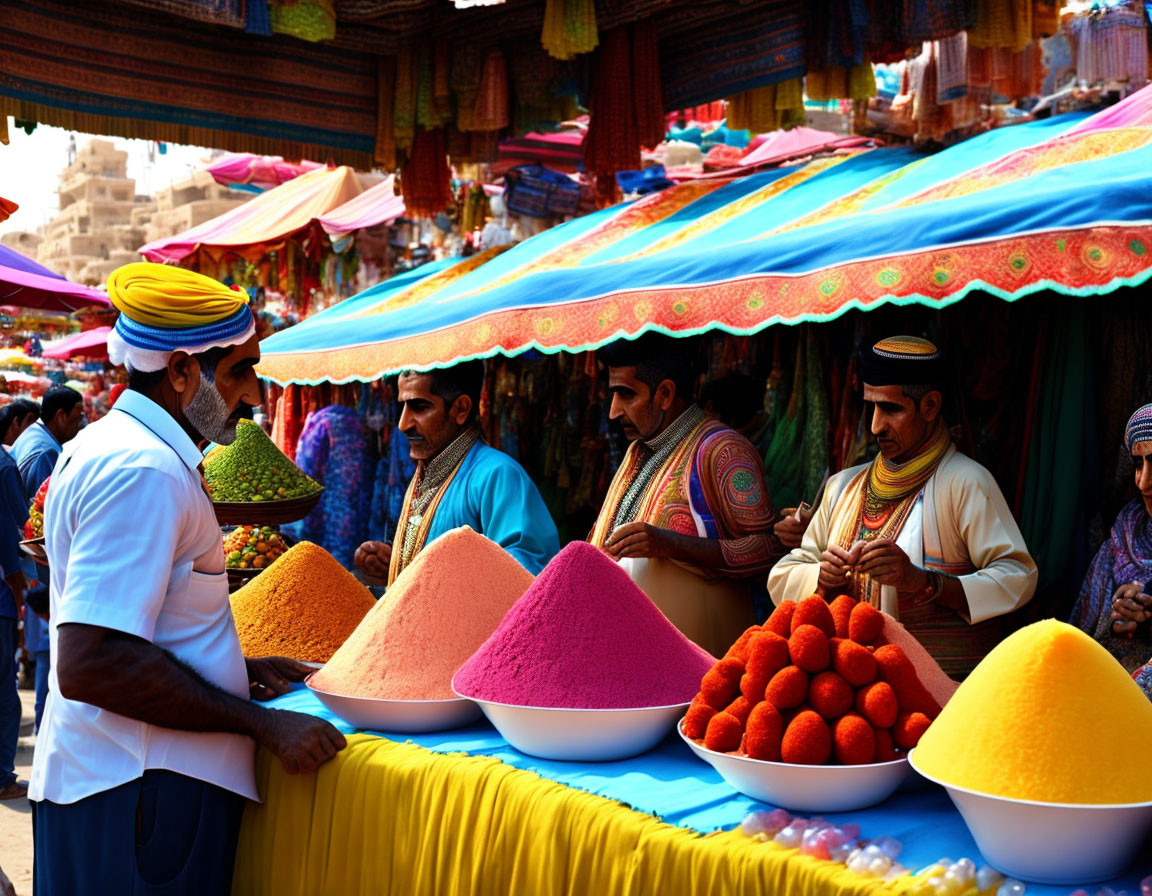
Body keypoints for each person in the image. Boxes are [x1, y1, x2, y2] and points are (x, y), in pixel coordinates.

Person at [29, 262, 345, 895]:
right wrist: (260, 723)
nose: (254, 394)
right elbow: (94, 661)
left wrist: (233, 664)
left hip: (131, 789)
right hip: (143, 801)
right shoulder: (141, 469)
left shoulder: (121, 449)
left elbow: (135, 627)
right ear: (180, 371)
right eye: (239, 372)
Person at [769, 336, 1037, 679]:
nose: (875, 426)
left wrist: (922, 582)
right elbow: (789, 569)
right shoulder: (841, 486)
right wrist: (821, 576)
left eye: (891, 409)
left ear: (930, 406)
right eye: (872, 407)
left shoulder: (967, 482)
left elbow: (1017, 577)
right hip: (844, 692)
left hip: (941, 696)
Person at [589, 334, 784, 656]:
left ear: (665, 393)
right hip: (633, 654)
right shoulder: (640, 450)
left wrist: (671, 544)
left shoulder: (723, 450)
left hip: (702, 664)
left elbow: (769, 549)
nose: (613, 412)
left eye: (626, 395)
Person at [353, 361, 559, 585]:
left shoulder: (498, 476)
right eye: (402, 406)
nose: (403, 424)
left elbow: (526, 574)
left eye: (419, 407)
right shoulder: (427, 472)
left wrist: (433, 580)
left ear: (460, 409)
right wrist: (394, 566)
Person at [11, 387, 82, 734]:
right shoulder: (44, 453)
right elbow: (45, 521)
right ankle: (48, 730)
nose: (81, 422)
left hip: (32, 567)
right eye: (78, 415)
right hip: (38, 569)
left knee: (46, 657)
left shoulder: (32, 440)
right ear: (60, 416)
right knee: (49, 658)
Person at [1070, 403, 1152, 693]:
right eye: (1139, 464)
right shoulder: (1118, 544)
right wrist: (1117, 621)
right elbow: (1078, 641)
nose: (1144, 482)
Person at [0, 411, 27, 801]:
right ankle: (2, 776)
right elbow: (10, 537)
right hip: (1, 600)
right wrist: (21, 593)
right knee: (5, 692)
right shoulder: (4, 465)